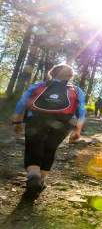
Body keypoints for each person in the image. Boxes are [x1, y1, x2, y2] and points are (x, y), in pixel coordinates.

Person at [12, 64, 85, 198]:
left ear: (52, 73)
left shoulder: (38, 85)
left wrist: (17, 121)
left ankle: (33, 176)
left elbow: (22, 103)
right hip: (64, 123)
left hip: (36, 119)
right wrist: (77, 130)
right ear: (70, 76)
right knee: (50, 149)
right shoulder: (76, 90)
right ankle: (41, 180)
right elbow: (81, 111)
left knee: (33, 147)